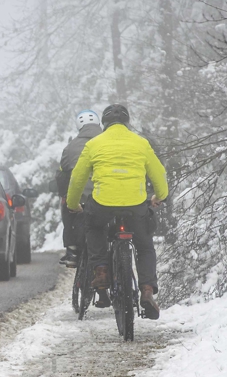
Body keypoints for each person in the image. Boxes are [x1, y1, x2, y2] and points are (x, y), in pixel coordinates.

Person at [65, 104, 168, 319]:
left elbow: (77, 178)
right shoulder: (141, 143)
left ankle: (101, 271)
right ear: (127, 122)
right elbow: (159, 174)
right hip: (136, 204)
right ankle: (147, 289)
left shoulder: (94, 144)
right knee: (145, 245)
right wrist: (159, 196)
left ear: (104, 123)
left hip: (103, 203)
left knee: (94, 227)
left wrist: (73, 204)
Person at [56, 110, 102, 267]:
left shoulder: (70, 147)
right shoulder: (110, 141)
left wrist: (65, 195)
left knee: (67, 204)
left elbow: (63, 177)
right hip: (111, 198)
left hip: (84, 201)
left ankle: (72, 249)